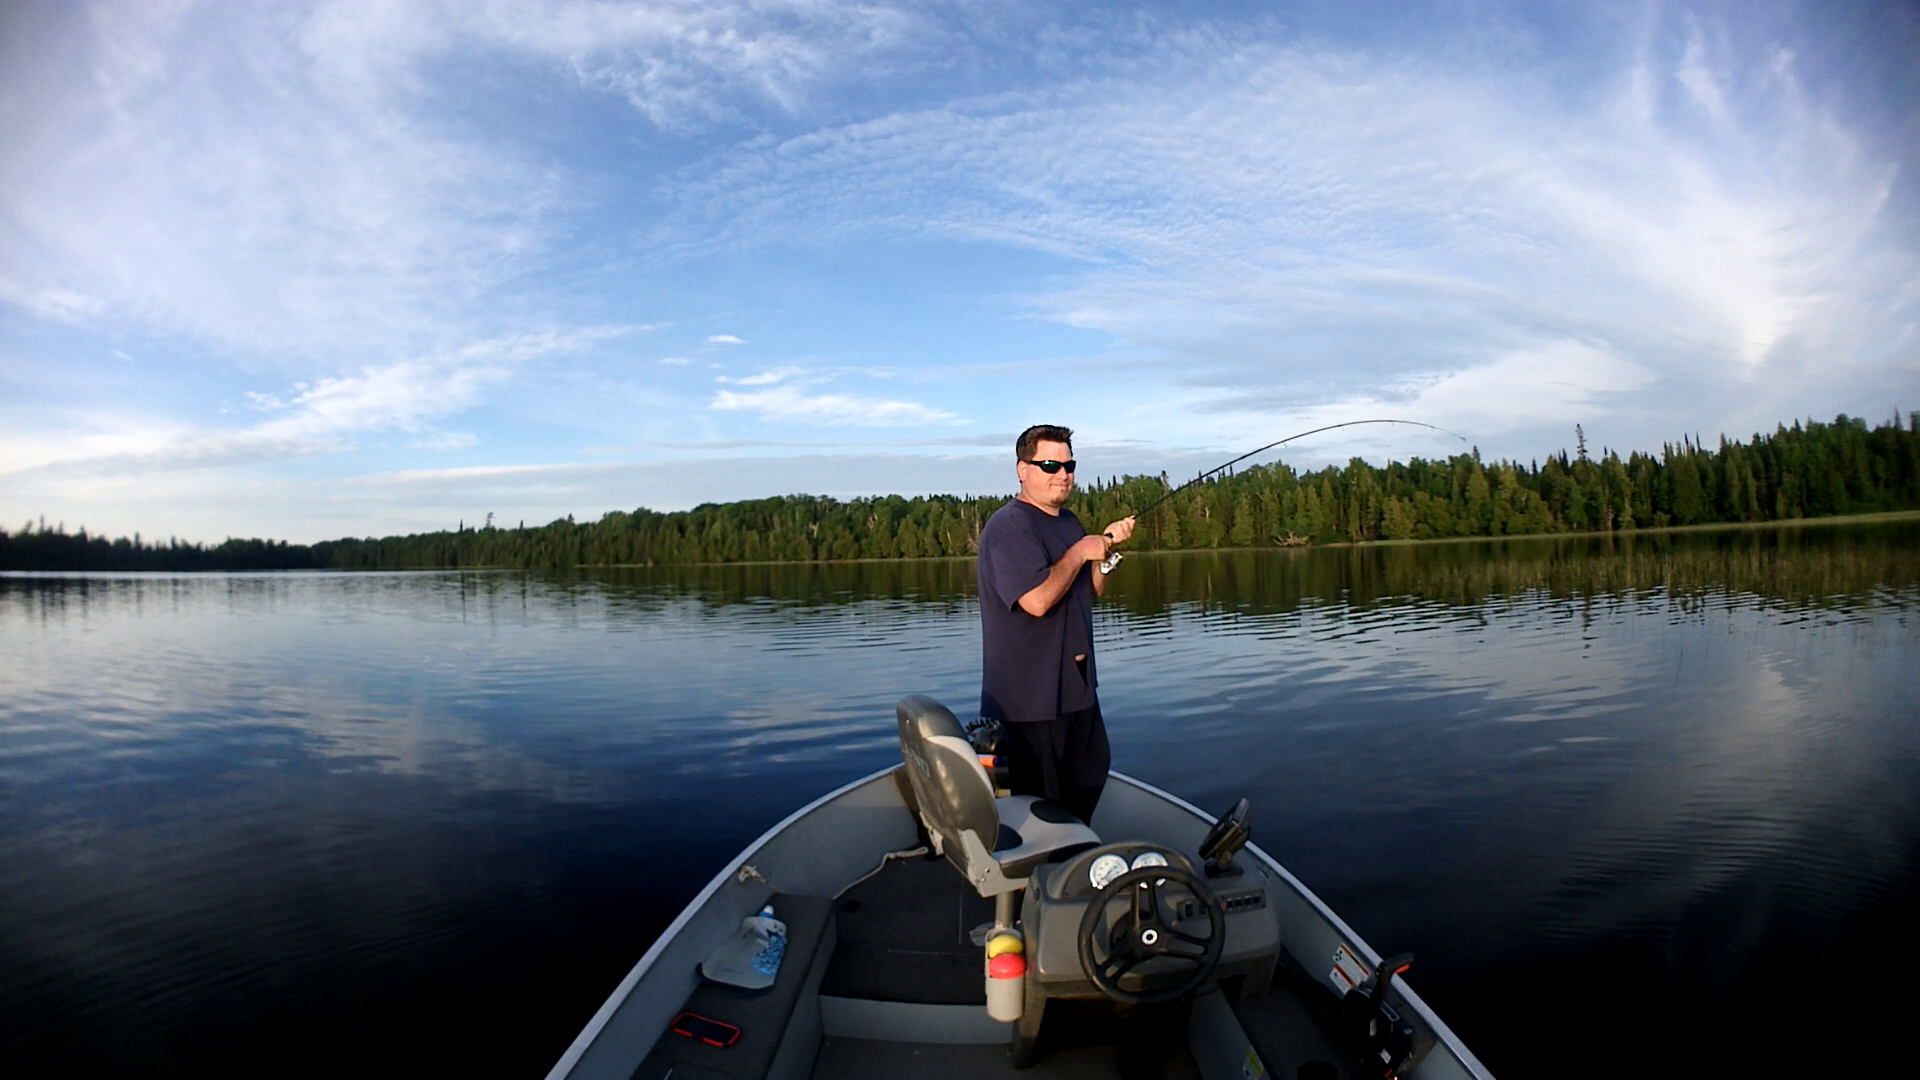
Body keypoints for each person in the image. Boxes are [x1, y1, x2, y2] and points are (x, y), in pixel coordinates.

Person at [977, 424, 1135, 825]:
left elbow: (1091, 588)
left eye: (1068, 465)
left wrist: (1106, 552)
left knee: (1089, 775)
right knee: (1039, 812)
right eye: (1049, 464)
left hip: (1076, 690)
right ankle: (1042, 881)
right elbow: (1037, 600)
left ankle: (1072, 869)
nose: (1061, 474)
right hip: (1029, 702)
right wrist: (1082, 550)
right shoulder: (1011, 527)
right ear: (1022, 469)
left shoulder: (1068, 521)